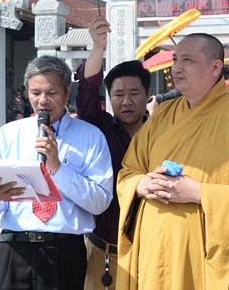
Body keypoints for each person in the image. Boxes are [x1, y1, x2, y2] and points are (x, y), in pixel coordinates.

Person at [117, 33, 229, 289]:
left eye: (188, 60)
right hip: (154, 255)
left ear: (215, 67)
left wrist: (198, 193)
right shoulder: (161, 116)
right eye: (175, 60)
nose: (177, 68)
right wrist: (141, 185)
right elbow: (128, 171)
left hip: (203, 262)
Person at [0, 55, 113, 290]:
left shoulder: (91, 137)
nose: (42, 100)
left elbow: (99, 202)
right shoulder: (8, 134)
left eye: (51, 92)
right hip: (13, 247)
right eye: (35, 92)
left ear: (67, 91)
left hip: (64, 252)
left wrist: (58, 168)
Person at [75, 16, 150, 289]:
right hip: (104, 251)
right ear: (109, 97)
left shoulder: (164, 132)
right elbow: (86, 95)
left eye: (134, 93)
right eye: (118, 94)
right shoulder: (100, 129)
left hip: (151, 252)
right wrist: (98, 48)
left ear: (147, 94)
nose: (126, 101)